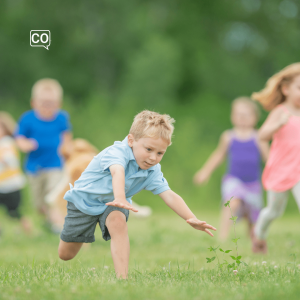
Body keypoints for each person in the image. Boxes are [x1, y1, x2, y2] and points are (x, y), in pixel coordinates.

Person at [58, 110, 216, 279]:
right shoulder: (116, 152)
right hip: (84, 202)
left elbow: (169, 194)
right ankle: (82, 232)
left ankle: (123, 278)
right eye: (148, 149)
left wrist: (190, 218)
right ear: (131, 140)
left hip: (114, 204)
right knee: (66, 255)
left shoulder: (151, 170)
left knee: (118, 220)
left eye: (159, 153)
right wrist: (119, 197)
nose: (153, 158)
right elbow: (117, 172)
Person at [193, 97, 269, 245]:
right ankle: (223, 237)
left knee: (252, 216)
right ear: (232, 116)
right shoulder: (228, 136)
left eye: (246, 115)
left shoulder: (259, 137)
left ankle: (255, 239)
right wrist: (205, 172)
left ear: (255, 118)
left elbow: (269, 158)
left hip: (252, 183)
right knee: (231, 203)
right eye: (238, 114)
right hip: (233, 179)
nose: (242, 118)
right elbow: (218, 156)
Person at [252, 63, 300, 253]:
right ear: (286, 89)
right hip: (282, 169)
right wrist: (277, 124)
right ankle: (259, 234)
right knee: (274, 211)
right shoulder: (281, 112)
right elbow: (262, 136)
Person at [15, 78, 72, 230]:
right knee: (38, 203)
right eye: (44, 103)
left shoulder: (61, 118)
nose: (48, 107)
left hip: (55, 163)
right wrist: (25, 144)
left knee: (53, 194)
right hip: (34, 167)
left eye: (51, 103)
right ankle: (48, 220)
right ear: (34, 103)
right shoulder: (28, 119)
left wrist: (67, 150)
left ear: (58, 104)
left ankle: (58, 225)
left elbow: (66, 137)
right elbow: (19, 138)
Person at [0, 111, 31, 233]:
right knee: (13, 212)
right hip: (2, 185)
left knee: (14, 212)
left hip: (11, 185)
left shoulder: (7, 142)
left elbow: (10, 160)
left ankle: (28, 228)